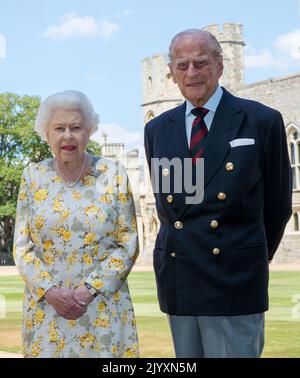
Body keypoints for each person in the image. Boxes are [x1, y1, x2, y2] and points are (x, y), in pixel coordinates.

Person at [144, 29, 292, 358]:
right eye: (182, 66)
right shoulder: (157, 129)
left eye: (201, 62)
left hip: (234, 280)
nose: (191, 73)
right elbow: (174, 206)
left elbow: (279, 205)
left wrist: (245, 254)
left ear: (220, 65)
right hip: (180, 280)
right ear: (171, 72)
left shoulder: (260, 121)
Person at [13, 90, 139, 358]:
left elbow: (127, 243)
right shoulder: (32, 176)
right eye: (59, 128)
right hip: (47, 312)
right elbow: (22, 247)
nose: (67, 135)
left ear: (89, 131)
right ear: (46, 133)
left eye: (76, 127)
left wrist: (89, 289)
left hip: (102, 309)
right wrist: (51, 292)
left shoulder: (113, 174)